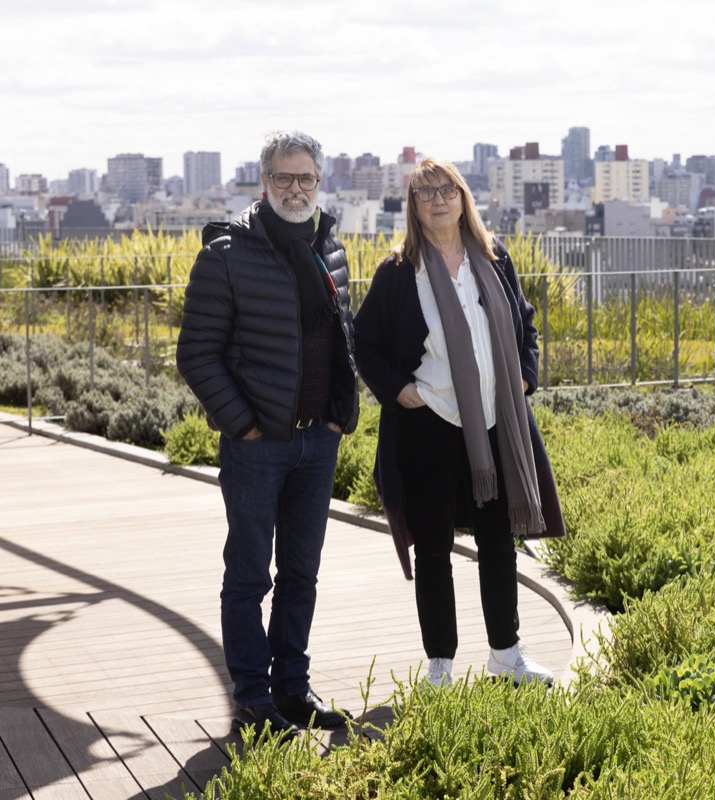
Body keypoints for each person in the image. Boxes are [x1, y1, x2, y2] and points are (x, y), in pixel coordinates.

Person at [353, 157, 565, 688]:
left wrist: (524, 378)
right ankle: (441, 665)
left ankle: (506, 654)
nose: (439, 200)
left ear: (463, 196)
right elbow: (364, 342)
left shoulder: (493, 257)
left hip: (495, 423)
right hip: (430, 425)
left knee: (498, 543)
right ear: (414, 208)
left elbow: (525, 322)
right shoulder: (400, 271)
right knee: (434, 549)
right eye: (426, 194)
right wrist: (400, 390)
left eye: (447, 189)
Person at [176, 129, 359, 739]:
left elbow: (341, 339)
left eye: (306, 177)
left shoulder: (330, 249)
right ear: (264, 183)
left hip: (317, 441)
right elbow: (197, 354)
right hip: (259, 446)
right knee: (250, 575)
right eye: (284, 178)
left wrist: (340, 415)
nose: (296, 188)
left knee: (301, 574)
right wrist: (245, 426)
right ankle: (253, 698)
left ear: (319, 182)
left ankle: (293, 690)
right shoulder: (226, 254)